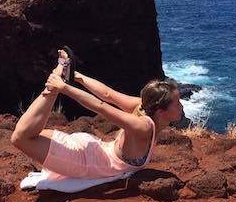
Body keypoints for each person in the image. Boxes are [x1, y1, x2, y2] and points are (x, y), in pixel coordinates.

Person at [10, 49, 184, 179]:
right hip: (86, 163)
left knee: (29, 135)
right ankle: (53, 88)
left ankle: (56, 82)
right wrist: (68, 83)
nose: (181, 106)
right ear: (161, 111)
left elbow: (108, 96)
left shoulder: (143, 107)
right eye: (177, 103)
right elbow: (103, 103)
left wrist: (73, 79)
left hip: (93, 151)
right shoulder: (144, 126)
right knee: (21, 138)